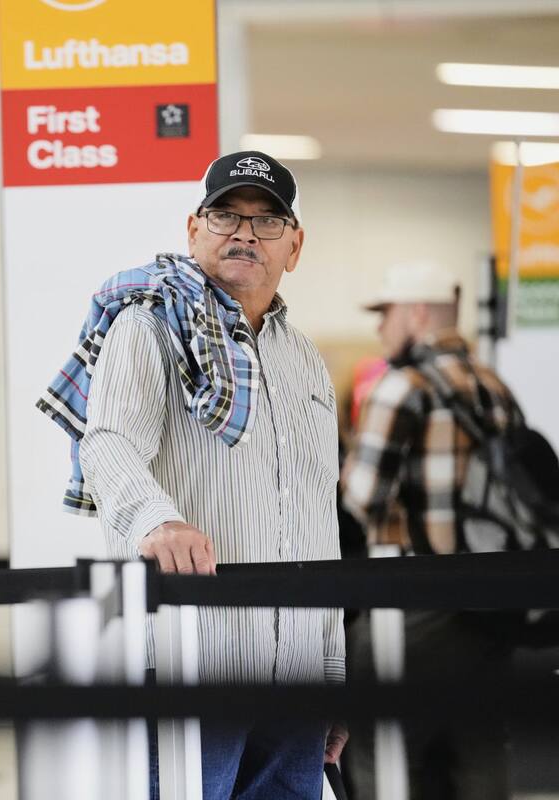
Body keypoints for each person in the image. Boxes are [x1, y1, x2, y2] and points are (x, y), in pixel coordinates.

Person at [39, 151, 346, 799]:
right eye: (225, 215)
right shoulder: (148, 324)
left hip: (295, 678)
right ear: (193, 229)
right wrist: (158, 522)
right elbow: (108, 444)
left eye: (266, 222)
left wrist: (334, 674)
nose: (244, 234)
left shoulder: (305, 359)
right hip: (188, 660)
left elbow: (319, 520)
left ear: (294, 246)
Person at [341, 261, 517, 800]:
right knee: (478, 746)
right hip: (492, 601)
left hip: (413, 601)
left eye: (386, 313)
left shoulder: (402, 385)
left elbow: (360, 498)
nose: (380, 327)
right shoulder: (493, 386)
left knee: (381, 744)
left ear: (416, 313)